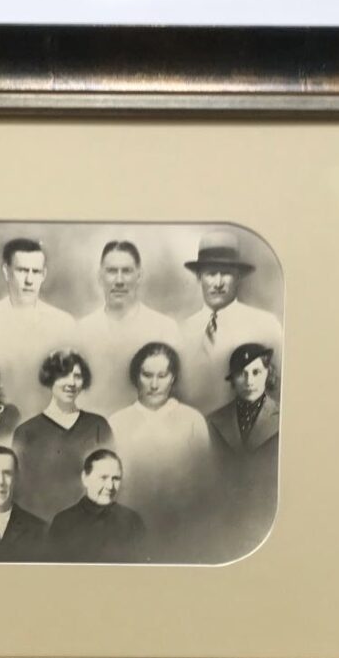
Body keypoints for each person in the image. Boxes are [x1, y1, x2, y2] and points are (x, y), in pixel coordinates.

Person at [0, 237, 76, 419]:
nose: (29, 280)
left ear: (44, 275)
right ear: (6, 272)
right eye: (22, 270)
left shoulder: (64, 324)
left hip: (50, 424)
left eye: (36, 271)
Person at [180, 229, 282, 414]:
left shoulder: (266, 325)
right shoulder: (182, 330)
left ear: (238, 277)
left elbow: (281, 388)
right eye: (211, 273)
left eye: (226, 273)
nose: (218, 283)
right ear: (199, 276)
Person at [108, 342, 212, 523]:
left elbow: (205, 481)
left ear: (172, 378)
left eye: (162, 376)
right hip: (128, 521)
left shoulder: (193, 420)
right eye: (147, 375)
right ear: (136, 376)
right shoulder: (116, 422)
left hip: (182, 521)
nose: (154, 385)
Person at [75, 240, 181, 414]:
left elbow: (175, 391)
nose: (119, 281)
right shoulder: (82, 329)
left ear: (139, 276)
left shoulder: (164, 327)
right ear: (100, 276)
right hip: (93, 427)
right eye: (111, 271)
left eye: (126, 271)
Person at [12, 350, 115, 521]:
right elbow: (19, 491)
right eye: (63, 375)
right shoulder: (26, 432)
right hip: (41, 524)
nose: (71, 383)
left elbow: (112, 481)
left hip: (89, 523)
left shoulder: (98, 426)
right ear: (50, 378)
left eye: (77, 376)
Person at [206, 343, 281, 553]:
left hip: (268, 518)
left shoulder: (285, 418)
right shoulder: (214, 420)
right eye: (241, 374)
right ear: (232, 379)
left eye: (256, 372)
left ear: (268, 373)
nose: (249, 381)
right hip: (222, 519)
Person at [46, 449, 147, 563]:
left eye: (116, 478)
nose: (110, 486)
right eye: (103, 478)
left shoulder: (133, 521)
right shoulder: (63, 522)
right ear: (85, 478)